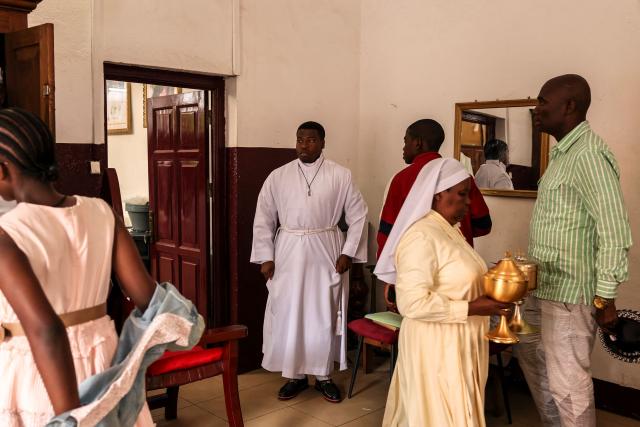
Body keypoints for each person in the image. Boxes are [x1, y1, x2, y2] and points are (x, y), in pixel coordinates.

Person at [0, 108, 156, 426]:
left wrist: (69, 417)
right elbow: (147, 296)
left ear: (3, 170)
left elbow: (46, 329)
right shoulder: (101, 212)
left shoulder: (7, 233)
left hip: (42, 374)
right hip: (105, 360)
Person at [517, 74, 632, 427]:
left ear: (569, 107)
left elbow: (614, 230)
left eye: (542, 103)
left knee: (569, 383)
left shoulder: (589, 155)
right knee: (533, 360)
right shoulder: (563, 153)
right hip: (543, 287)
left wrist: (605, 299)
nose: (535, 110)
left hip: (570, 295)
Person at [375, 158, 512, 426]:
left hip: (459, 340)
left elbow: (457, 279)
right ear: (439, 194)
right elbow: (412, 303)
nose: (469, 202)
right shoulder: (421, 236)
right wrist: (473, 308)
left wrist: (501, 284)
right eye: (462, 194)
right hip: (436, 346)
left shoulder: (449, 230)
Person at [251, 121, 368, 403]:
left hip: (326, 251)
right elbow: (263, 218)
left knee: (323, 313)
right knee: (290, 313)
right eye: (300, 139)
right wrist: (266, 257)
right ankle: (295, 376)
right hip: (288, 251)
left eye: (311, 140)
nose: (305, 144)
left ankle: (324, 376)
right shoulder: (278, 177)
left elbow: (358, 215)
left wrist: (348, 252)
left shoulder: (341, 175)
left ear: (323, 143)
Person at [377, 119, 491, 311]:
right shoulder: (462, 177)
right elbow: (483, 224)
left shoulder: (401, 179)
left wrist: (390, 277)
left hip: (414, 273)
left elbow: (387, 232)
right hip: (460, 276)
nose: (403, 148)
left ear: (418, 143)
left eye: (406, 141)